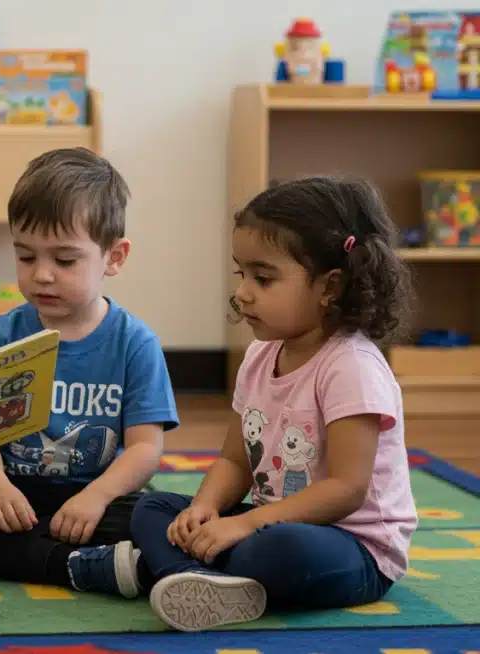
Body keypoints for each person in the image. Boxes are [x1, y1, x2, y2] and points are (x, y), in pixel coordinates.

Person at [127, 176, 418, 632]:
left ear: (330, 287)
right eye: (242, 274)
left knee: (279, 551)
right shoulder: (260, 356)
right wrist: (205, 507)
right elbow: (233, 460)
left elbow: (345, 489)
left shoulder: (352, 366)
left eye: (263, 278)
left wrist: (245, 526)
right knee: (152, 508)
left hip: (353, 547)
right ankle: (194, 580)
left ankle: (174, 570)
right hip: (270, 521)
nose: (243, 292)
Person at [0, 147, 179, 598]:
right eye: (25, 257)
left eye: (64, 260)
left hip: (96, 498)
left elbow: (144, 450)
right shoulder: (2, 334)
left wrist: (95, 498)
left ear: (114, 258)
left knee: (156, 516)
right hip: (13, 497)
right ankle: (75, 566)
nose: (41, 275)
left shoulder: (135, 343)